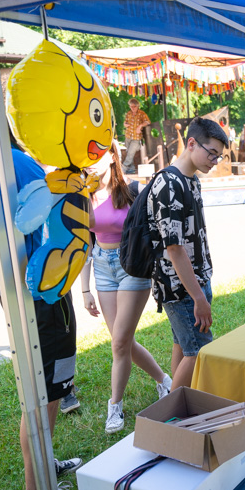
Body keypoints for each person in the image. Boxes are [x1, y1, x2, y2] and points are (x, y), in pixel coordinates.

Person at [0, 138, 83, 490]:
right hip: (41, 296)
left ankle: (44, 465)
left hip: (25, 294)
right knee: (45, 394)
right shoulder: (19, 163)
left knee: (41, 391)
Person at [80, 141, 172, 434]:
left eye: (95, 155)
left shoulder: (132, 191)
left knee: (119, 341)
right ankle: (163, 380)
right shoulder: (82, 195)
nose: (90, 164)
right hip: (102, 267)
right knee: (123, 341)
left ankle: (114, 407)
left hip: (131, 266)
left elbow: (155, 227)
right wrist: (85, 289)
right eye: (85, 158)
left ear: (111, 156)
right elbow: (85, 243)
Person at [147, 117, 227, 389]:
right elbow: (174, 247)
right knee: (199, 351)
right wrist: (198, 298)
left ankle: (179, 406)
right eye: (212, 153)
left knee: (183, 345)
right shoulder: (169, 184)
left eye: (219, 156)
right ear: (191, 143)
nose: (214, 161)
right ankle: (169, 418)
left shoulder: (191, 179)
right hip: (181, 288)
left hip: (196, 281)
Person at [122, 98, 150, 175]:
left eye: (134, 106)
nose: (132, 108)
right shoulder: (128, 113)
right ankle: (131, 169)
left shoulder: (142, 113)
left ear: (137, 106)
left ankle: (123, 168)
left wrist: (140, 125)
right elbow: (125, 122)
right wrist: (125, 124)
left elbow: (147, 122)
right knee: (129, 152)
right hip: (128, 136)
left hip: (136, 137)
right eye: (131, 106)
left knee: (130, 153)